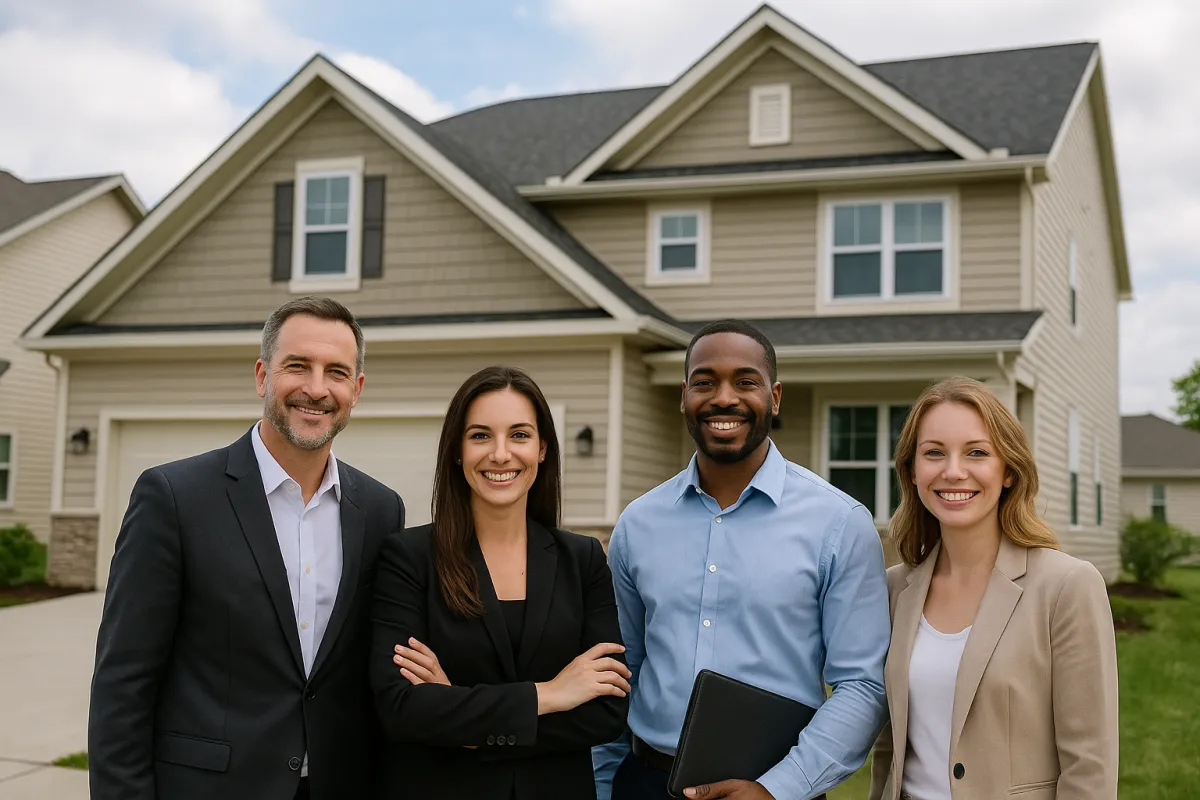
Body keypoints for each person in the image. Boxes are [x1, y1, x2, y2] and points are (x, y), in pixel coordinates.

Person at [88, 296, 405, 800]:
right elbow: (122, 684)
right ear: (262, 376)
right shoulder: (174, 497)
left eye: (337, 372)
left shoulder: (382, 510)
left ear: (357, 389)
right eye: (297, 366)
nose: (316, 389)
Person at [592, 320, 891, 800]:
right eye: (705, 382)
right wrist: (603, 788)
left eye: (745, 382)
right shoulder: (637, 525)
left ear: (774, 398)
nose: (724, 398)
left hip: (778, 788)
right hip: (645, 784)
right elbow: (615, 675)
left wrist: (778, 789)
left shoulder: (839, 523)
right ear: (684, 395)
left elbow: (862, 686)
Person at [370, 365, 630, 800]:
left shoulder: (582, 560)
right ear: (457, 450)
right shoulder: (409, 559)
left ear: (543, 449)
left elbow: (606, 710)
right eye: (480, 435)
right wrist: (550, 694)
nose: (500, 453)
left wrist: (459, 717)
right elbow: (400, 708)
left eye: (520, 435)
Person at [868, 377, 1119, 800]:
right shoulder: (894, 588)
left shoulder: (1067, 587)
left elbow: (1090, 766)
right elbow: (889, 746)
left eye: (977, 453)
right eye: (934, 453)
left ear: (1008, 472)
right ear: (912, 472)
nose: (953, 471)